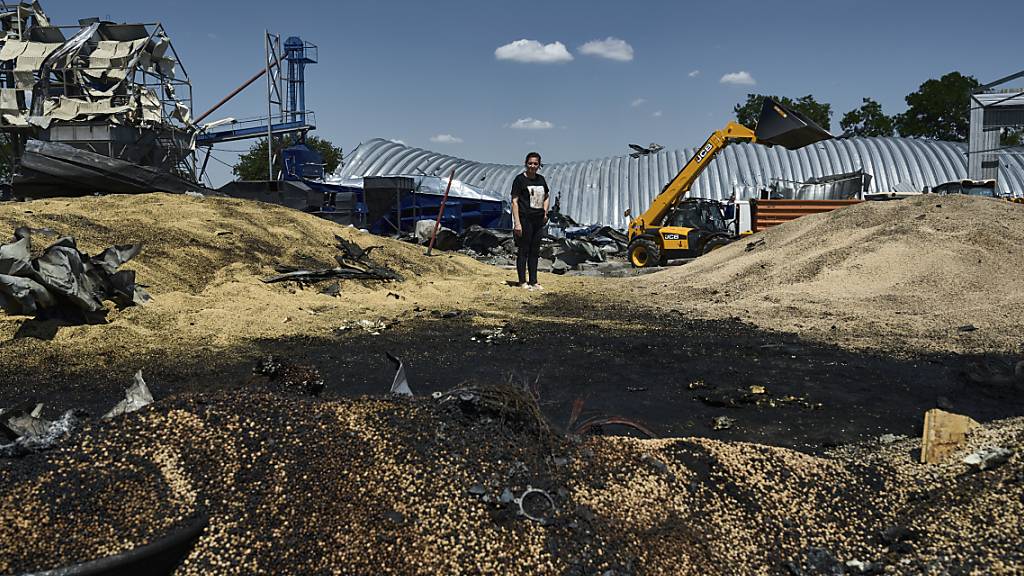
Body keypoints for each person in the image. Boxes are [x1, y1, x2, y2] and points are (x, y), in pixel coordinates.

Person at [510, 151, 549, 290]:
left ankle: (534, 280)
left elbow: (546, 196)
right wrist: (517, 223)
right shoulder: (520, 180)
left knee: (535, 251)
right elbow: (514, 201)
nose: (533, 166)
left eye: (535, 164)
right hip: (525, 219)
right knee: (524, 250)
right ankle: (522, 281)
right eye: (530, 163)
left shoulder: (541, 180)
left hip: (538, 220)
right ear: (526, 164)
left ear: (539, 165)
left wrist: (545, 212)